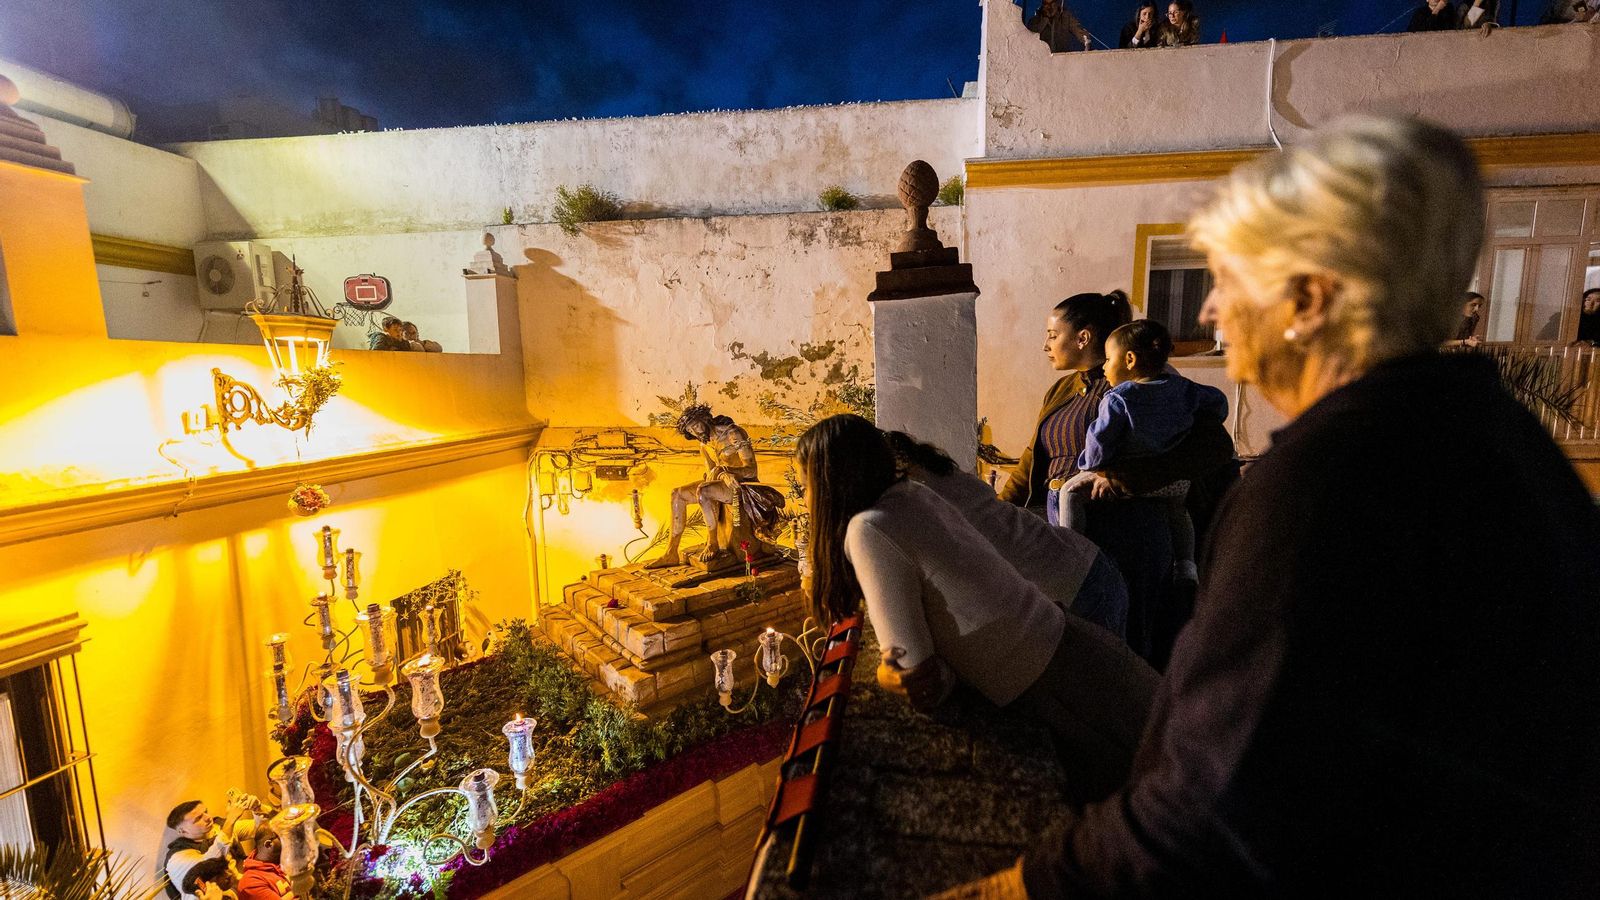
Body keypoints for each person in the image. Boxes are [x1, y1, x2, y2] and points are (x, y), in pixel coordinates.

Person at [937, 115, 1600, 899]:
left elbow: (1210, 814)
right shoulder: (1490, 437)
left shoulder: (1336, 484)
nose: (1211, 312)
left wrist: (1008, 890)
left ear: (1308, 300)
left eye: (1226, 279)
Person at [798, 414, 1158, 802]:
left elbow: (918, 677)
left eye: (805, 486)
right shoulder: (913, 494)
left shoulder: (869, 529)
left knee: (1142, 791)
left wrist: (888, 676)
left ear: (830, 481)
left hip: (1045, 677)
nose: (804, 498)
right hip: (1067, 635)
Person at [884, 430, 1130, 638]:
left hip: (1076, 586)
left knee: (1104, 688)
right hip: (1080, 566)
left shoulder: (908, 494)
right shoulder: (931, 468)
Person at [1060, 319, 1228, 587]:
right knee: (1178, 513)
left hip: (1129, 483)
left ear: (1129, 359)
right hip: (1175, 486)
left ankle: (1071, 555)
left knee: (1069, 493)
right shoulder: (1183, 389)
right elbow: (1218, 403)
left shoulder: (1119, 397)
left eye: (1108, 360)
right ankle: (1186, 566)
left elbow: (1100, 441)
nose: (1104, 367)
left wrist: (1092, 466)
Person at [645, 404, 785, 568]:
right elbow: (711, 473)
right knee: (677, 494)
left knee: (705, 491)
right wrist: (719, 473)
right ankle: (671, 552)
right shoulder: (704, 444)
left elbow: (751, 470)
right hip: (721, 484)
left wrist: (724, 470)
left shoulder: (733, 434)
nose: (696, 432)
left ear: (705, 419)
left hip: (743, 485)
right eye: (690, 431)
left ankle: (713, 543)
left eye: (696, 426)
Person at [161, 798, 253, 900]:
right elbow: (208, 865)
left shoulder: (217, 827)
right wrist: (230, 820)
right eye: (198, 818)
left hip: (243, 885)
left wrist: (258, 809)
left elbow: (259, 829)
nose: (208, 818)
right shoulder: (177, 857)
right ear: (182, 831)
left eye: (205, 812)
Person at [236, 830, 295, 900]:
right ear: (268, 844)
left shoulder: (281, 858)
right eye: (282, 837)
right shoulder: (251, 883)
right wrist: (298, 889)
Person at [1027, 0, 1093, 52]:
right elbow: (1029, 38)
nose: (1049, 7)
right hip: (1042, 60)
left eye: (1051, 3)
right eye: (1046, 4)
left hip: (1061, 61)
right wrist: (1044, 20)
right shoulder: (1034, 21)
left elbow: (1081, 33)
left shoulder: (1066, 17)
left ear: (1057, 3)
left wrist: (1087, 44)